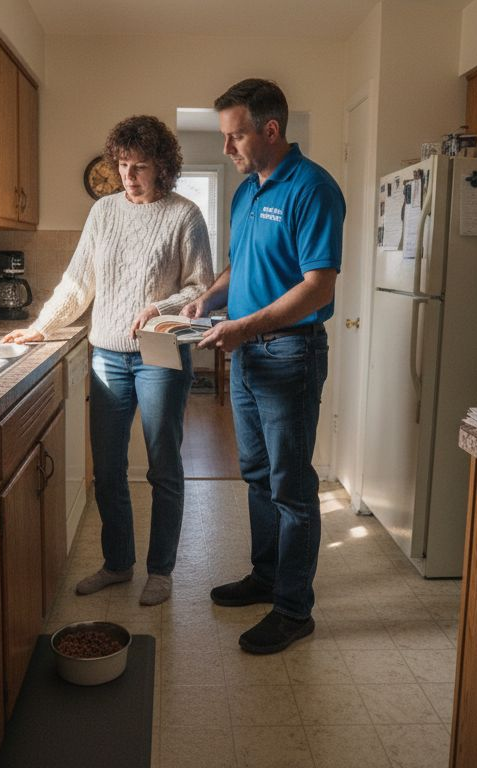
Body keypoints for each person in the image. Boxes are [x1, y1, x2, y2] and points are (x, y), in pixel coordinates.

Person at [3, 115, 212, 607]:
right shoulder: (103, 214)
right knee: (109, 468)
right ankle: (118, 563)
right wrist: (42, 327)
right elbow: (78, 282)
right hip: (108, 357)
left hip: (161, 354)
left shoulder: (185, 215)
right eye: (122, 165)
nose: (129, 176)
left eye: (140, 166)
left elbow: (201, 288)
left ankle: (160, 571)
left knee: (163, 465)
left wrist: (158, 307)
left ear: (163, 167)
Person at [182, 78, 344, 654]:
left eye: (235, 136)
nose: (228, 149)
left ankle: (294, 609)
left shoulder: (313, 188)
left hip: (290, 354)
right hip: (249, 353)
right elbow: (238, 267)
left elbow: (317, 287)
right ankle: (267, 575)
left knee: (292, 487)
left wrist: (246, 327)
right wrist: (210, 300)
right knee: (255, 475)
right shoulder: (247, 191)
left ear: (270, 130)